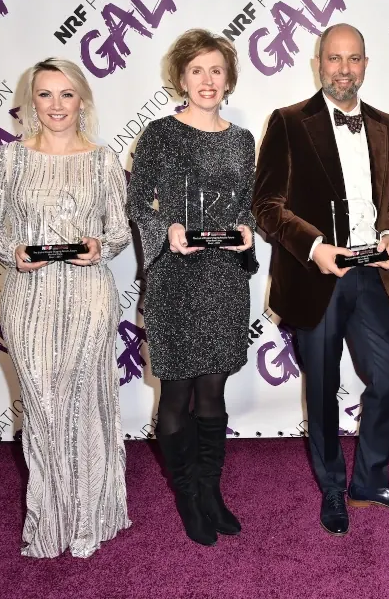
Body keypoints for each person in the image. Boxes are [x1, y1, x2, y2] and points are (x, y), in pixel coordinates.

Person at [252, 23, 389, 536]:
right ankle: (332, 488)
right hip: (314, 275)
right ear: (318, 63)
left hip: (372, 274)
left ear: (366, 64)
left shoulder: (388, 125)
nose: (344, 69)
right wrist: (314, 247)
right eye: (334, 58)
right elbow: (266, 206)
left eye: (354, 58)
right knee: (321, 389)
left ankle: (370, 480)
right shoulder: (287, 122)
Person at [0, 58, 132, 558]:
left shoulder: (103, 160)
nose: (56, 105)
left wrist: (101, 245)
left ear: (82, 100)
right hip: (29, 299)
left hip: (89, 297)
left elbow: (119, 230)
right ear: (31, 102)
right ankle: (49, 522)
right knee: (42, 409)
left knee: (85, 404)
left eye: (67, 94)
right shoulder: (11, 159)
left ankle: (90, 519)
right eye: (45, 94)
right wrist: (13, 251)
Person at [126, 29, 257, 547]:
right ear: (181, 78)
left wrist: (247, 230)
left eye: (216, 70)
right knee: (177, 392)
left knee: (213, 392)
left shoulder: (242, 140)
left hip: (223, 277)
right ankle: (186, 493)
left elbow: (247, 205)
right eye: (197, 70)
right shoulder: (159, 134)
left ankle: (210, 489)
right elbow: (138, 202)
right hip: (175, 279)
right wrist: (168, 229)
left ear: (228, 79)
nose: (207, 80)